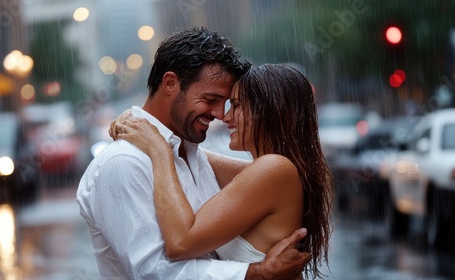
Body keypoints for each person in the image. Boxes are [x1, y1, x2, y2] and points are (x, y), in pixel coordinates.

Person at [77, 27, 311, 279]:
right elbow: (154, 272)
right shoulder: (123, 163)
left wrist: (157, 144)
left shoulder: (189, 154)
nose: (221, 114)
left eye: (231, 104)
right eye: (211, 98)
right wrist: (257, 273)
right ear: (170, 83)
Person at [112, 64, 333, 279]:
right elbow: (191, 154)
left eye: (236, 105)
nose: (226, 117)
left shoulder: (274, 168)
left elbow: (181, 242)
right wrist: (142, 122)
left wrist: (159, 151)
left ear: (268, 111)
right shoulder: (272, 172)